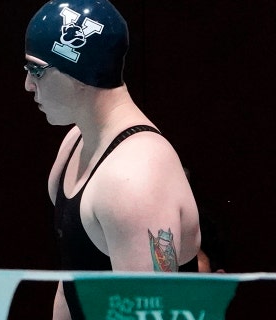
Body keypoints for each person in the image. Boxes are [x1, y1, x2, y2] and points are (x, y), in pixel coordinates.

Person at [23, 1, 201, 319]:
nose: (29, 85)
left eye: (36, 70)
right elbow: (71, 285)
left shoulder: (135, 178)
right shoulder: (75, 142)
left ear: (78, 71)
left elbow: (153, 313)